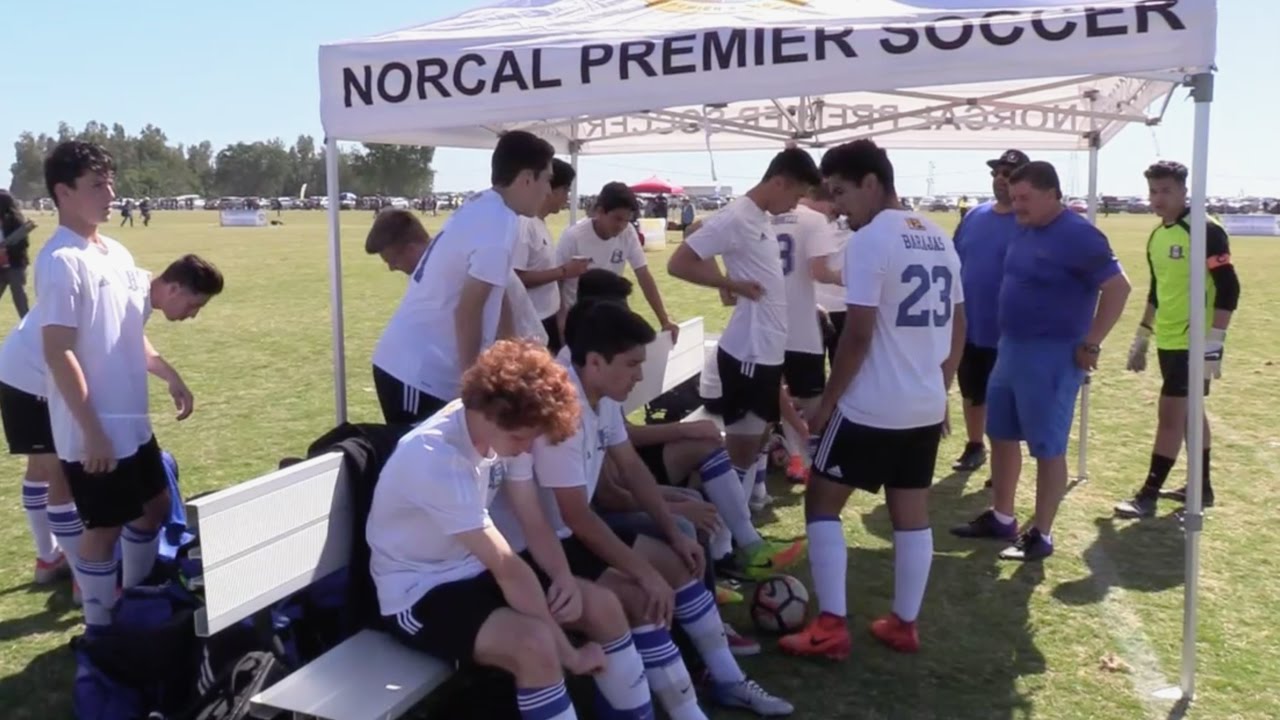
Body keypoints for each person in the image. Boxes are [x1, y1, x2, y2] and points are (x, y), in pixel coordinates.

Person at [491, 300, 794, 717]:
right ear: (595, 361)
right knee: (641, 594)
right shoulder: (564, 410)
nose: (639, 375)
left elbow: (631, 467)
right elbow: (578, 517)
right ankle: (689, 703)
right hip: (540, 547)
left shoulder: (600, 393)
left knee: (681, 558)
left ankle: (726, 680)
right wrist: (645, 571)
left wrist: (670, 527)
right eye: (633, 364)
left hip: (564, 535)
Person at [370, 340, 662, 720]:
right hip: (419, 592)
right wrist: (570, 654)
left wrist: (563, 578)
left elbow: (533, 518)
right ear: (492, 413)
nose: (527, 448)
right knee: (537, 645)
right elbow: (507, 567)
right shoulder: (435, 458)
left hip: (476, 571)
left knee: (602, 605)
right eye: (523, 438)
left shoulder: (504, 433)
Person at [776, 140, 964, 659]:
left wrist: (828, 401)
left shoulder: (868, 241)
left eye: (840, 192)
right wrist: (941, 386)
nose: (836, 205)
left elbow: (857, 333)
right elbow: (961, 323)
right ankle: (904, 623)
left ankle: (832, 626)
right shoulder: (938, 235)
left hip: (872, 404)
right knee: (911, 511)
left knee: (820, 501)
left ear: (871, 183)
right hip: (924, 403)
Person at [37, 141, 201, 627]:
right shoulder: (60, 260)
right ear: (63, 192)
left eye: (110, 182)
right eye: (96, 185)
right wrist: (91, 431)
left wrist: (169, 375)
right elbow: (58, 350)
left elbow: (127, 332)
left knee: (154, 507)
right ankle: (100, 623)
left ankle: (137, 598)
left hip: (133, 419)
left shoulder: (117, 250)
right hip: (96, 427)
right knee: (103, 528)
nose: (110, 193)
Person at [0, 253, 223, 591]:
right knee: (58, 474)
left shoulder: (137, 287)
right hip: (29, 378)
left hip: (33, 371)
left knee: (45, 470)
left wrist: (169, 374)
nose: (193, 314)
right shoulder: (128, 287)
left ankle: (58, 562)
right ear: (175, 288)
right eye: (195, 304)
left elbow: (131, 335)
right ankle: (78, 575)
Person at [951, 161, 1131, 561]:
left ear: (1052, 193)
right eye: (1013, 198)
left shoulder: (1080, 235)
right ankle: (1002, 516)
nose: (1016, 206)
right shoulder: (1024, 227)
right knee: (1001, 434)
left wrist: (1093, 341)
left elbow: (1119, 288)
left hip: (1051, 354)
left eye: (1024, 198)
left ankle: (1042, 535)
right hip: (1010, 347)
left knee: (1047, 447)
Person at [667, 148, 821, 511]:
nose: (796, 204)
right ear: (779, 181)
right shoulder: (736, 216)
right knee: (741, 450)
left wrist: (730, 285)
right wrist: (730, 284)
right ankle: (723, 537)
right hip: (748, 350)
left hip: (765, 348)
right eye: (796, 194)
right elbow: (680, 262)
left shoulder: (759, 218)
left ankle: (735, 526)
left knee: (759, 441)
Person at [367, 131, 555, 424]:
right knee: (425, 464)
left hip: (420, 368)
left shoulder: (490, 208)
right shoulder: (496, 224)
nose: (548, 191)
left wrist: (513, 358)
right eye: (547, 179)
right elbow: (467, 311)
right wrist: (474, 392)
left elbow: (499, 290)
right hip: (416, 373)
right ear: (527, 178)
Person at [1115, 160, 1241, 517]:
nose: (1158, 198)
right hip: (1168, 340)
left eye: (1166, 190)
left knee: (1170, 415)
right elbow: (1158, 289)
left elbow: (1229, 287)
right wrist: (1142, 336)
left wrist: (1214, 341)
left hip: (1195, 341)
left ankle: (1148, 494)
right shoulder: (1158, 235)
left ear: (1184, 190)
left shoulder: (1204, 230)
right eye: (1153, 191)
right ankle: (1201, 488)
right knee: (1189, 414)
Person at [951, 149, 1030, 474]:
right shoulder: (974, 216)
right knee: (972, 390)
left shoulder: (1029, 221)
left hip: (1009, 329)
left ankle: (1005, 463)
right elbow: (956, 259)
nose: (1001, 178)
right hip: (971, 323)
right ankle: (974, 445)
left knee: (1005, 401)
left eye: (1009, 173)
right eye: (998, 172)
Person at [770, 184, 844, 482]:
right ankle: (818, 459)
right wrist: (859, 277)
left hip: (768, 324)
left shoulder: (765, 216)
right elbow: (820, 273)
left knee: (781, 396)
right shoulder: (814, 221)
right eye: (832, 207)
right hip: (801, 326)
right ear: (821, 200)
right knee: (811, 399)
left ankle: (797, 458)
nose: (833, 213)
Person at [555, 182, 678, 341]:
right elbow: (557, 283)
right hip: (579, 316)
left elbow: (643, 274)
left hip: (612, 310)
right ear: (600, 212)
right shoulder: (573, 236)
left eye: (627, 220)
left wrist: (664, 320)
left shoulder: (628, 233)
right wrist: (562, 323)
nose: (621, 226)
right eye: (617, 219)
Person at [513, 159, 591, 354]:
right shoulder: (525, 224)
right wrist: (565, 271)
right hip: (531, 324)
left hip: (547, 319)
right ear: (552, 189)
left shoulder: (539, 223)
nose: (567, 198)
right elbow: (515, 278)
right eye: (566, 191)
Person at [0, 190, 35, 318]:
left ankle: (29, 331)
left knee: (20, 302)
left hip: (15, 266)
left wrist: (6, 250)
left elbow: (23, 244)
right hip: (0, 267)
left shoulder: (16, 220)